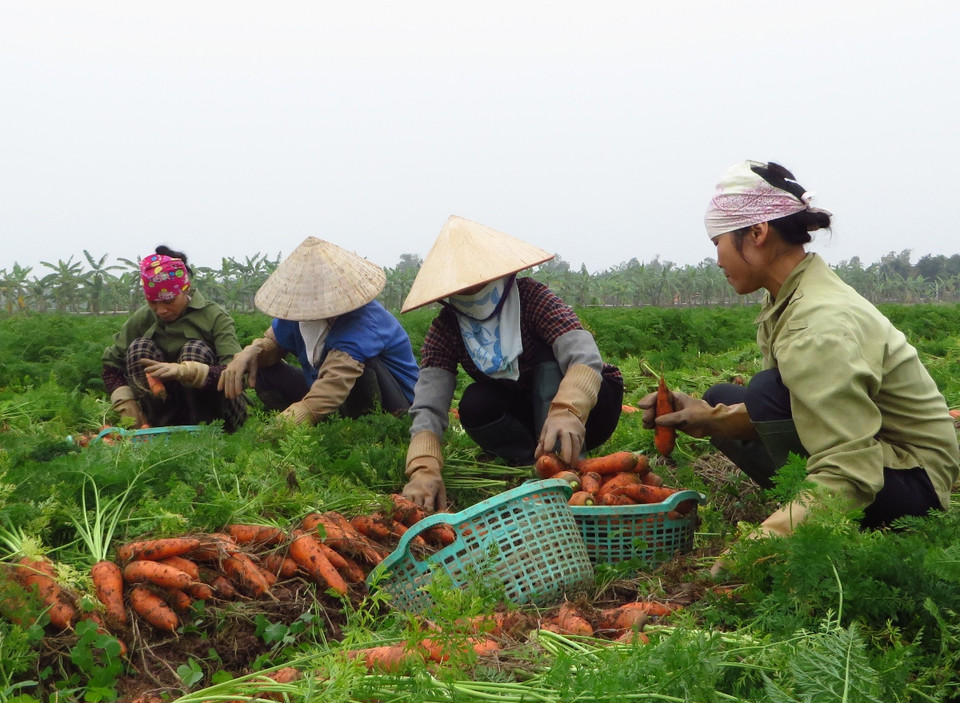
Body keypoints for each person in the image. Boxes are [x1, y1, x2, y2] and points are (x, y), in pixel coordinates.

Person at [640, 160, 957, 542]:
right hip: (880, 457)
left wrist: (761, 544)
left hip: (913, 485)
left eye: (717, 242)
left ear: (757, 232)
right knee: (720, 399)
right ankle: (806, 507)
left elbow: (851, 469)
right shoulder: (789, 297)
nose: (718, 259)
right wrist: (709, 419)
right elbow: (798, 404)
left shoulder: (818, 324)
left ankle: (823, 522)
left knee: (764, 392)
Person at [400, 215, 624, 511]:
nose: (472, 293)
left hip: (589, 411)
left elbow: (584, 356)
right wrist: (423, 466)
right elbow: (429, 403)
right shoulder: (447, 328)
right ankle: (538, 462)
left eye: (478, 283)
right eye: (461, 290)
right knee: (475, 402)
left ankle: (572, 464)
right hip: (525, 416)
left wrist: (568, 409)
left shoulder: (532, 298)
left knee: (550, 355)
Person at [218, 236, 419, 424]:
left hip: (395, 403)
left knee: (364, 366)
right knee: (262, 368)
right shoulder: (300, 312)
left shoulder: (364, 320)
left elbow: (335, 381)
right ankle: (306, 434)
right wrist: (252, 352)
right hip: (328, 393)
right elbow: (274, 343)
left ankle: (360, 432)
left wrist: (302, 412)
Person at [102, 246, 248, 431]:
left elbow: (237, 374)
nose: (161, 310)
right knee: (139, 348)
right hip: (163, 409)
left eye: (169, 301)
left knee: (194, 351)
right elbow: (111, 366)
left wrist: (188, 372)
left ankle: (207, 430)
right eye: (153, 302)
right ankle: (155, 426)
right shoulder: (142, 319)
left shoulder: (214, 317)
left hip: (214, 412)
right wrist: (124, 400)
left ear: (185, 290)